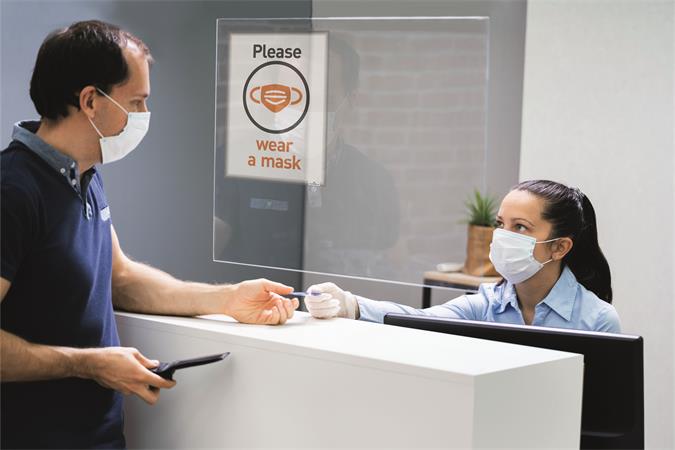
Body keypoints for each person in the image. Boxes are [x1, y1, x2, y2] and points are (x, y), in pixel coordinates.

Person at [0, 20, 299, 449]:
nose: (143, 115)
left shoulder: (83, 176)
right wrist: (87, 364)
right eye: (136, 102)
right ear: (90, 101)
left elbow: (120, 278)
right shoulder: (13, 190)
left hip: (98, 437)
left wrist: (227, 299)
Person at [305, 180, 621, 333]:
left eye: (520, 227)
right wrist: (350, 304)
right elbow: (419, 320)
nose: (503, 236)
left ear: (559, 247)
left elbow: (602, 418)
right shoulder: (487, 305)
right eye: (501, 224)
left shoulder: (597, 320)